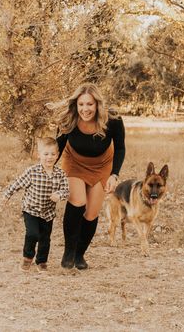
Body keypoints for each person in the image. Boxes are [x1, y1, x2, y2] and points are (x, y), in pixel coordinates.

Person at [55, 83, 125, 270]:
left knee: (92, 212)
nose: (85, 109)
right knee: (78, 202)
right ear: (76, 105)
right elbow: (58, 147)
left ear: (97, 105)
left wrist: (114, 174)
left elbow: (120, 148)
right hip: (74, 162)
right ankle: (69, 252)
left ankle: (80, 254)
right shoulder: (68, 119)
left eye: (90, 104)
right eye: (81, 105)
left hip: (101, 165)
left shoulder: (113, 119)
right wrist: (48, 172)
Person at [3, 137, 69, 272]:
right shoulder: (32, 172)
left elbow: (66, 190)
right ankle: (27, 258)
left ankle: (42, 261)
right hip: (31, 210)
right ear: (39, 155)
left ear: (57, 155)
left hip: (48, 213)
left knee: (45, 238)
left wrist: (59, 195)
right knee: (33, 234)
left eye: (53, 154)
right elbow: (17, 184)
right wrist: (6, 196)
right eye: (46, 154)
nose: (49, 157)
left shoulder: (60, 174)